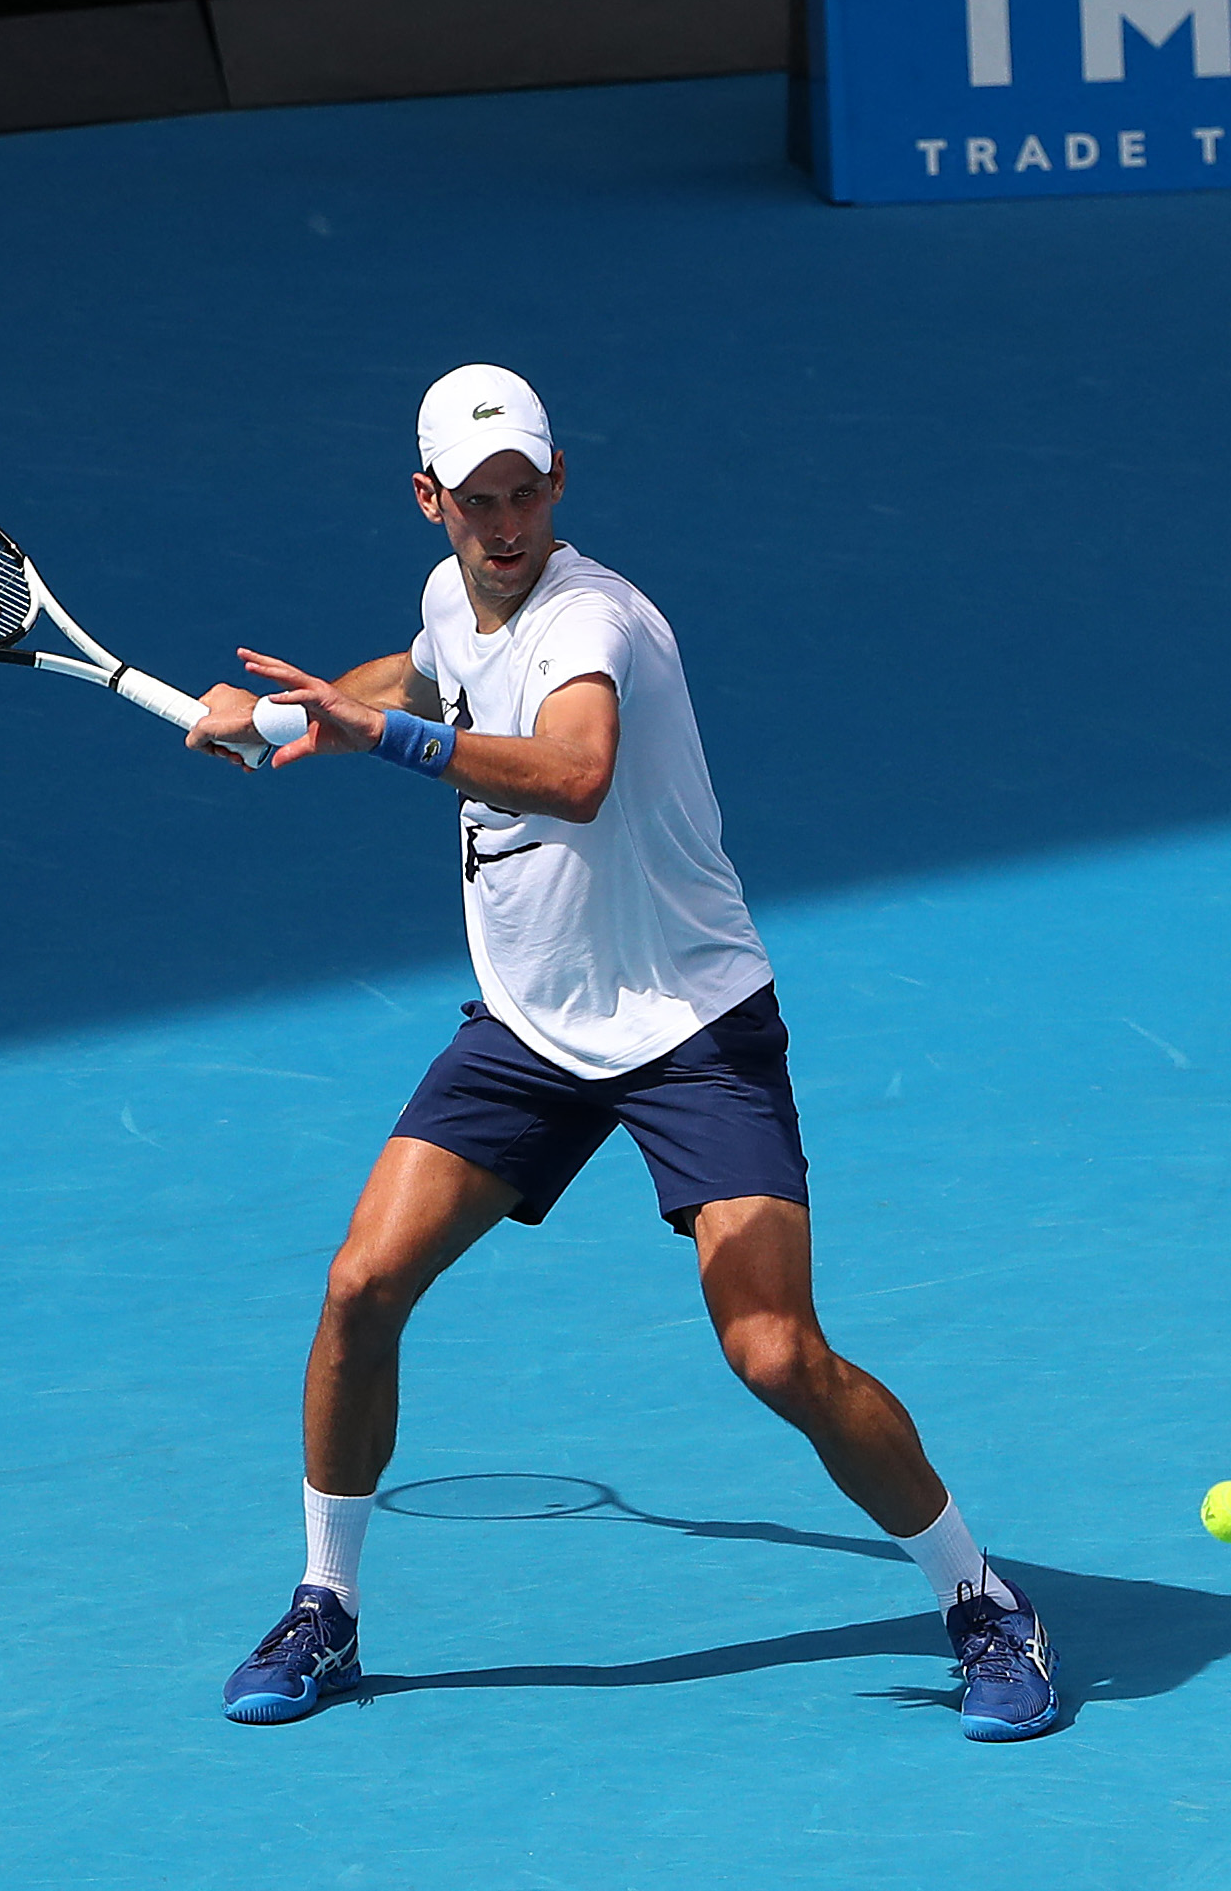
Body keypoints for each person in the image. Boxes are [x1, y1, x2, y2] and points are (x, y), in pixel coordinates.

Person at [189, 365, 1058, 1740]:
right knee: (361, 1285)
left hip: (686, 1024)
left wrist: (384, 738)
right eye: (476, 499)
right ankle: (324, 1606)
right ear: (429, 500)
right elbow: (409, 671)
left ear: (557, 481)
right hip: (531, 1024)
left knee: (773, 1351)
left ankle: (982, 1602)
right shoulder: (446, 591)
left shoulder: (596, 616)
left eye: (525, 489)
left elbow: (576, 769)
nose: (505, 519)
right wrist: (288, 716)